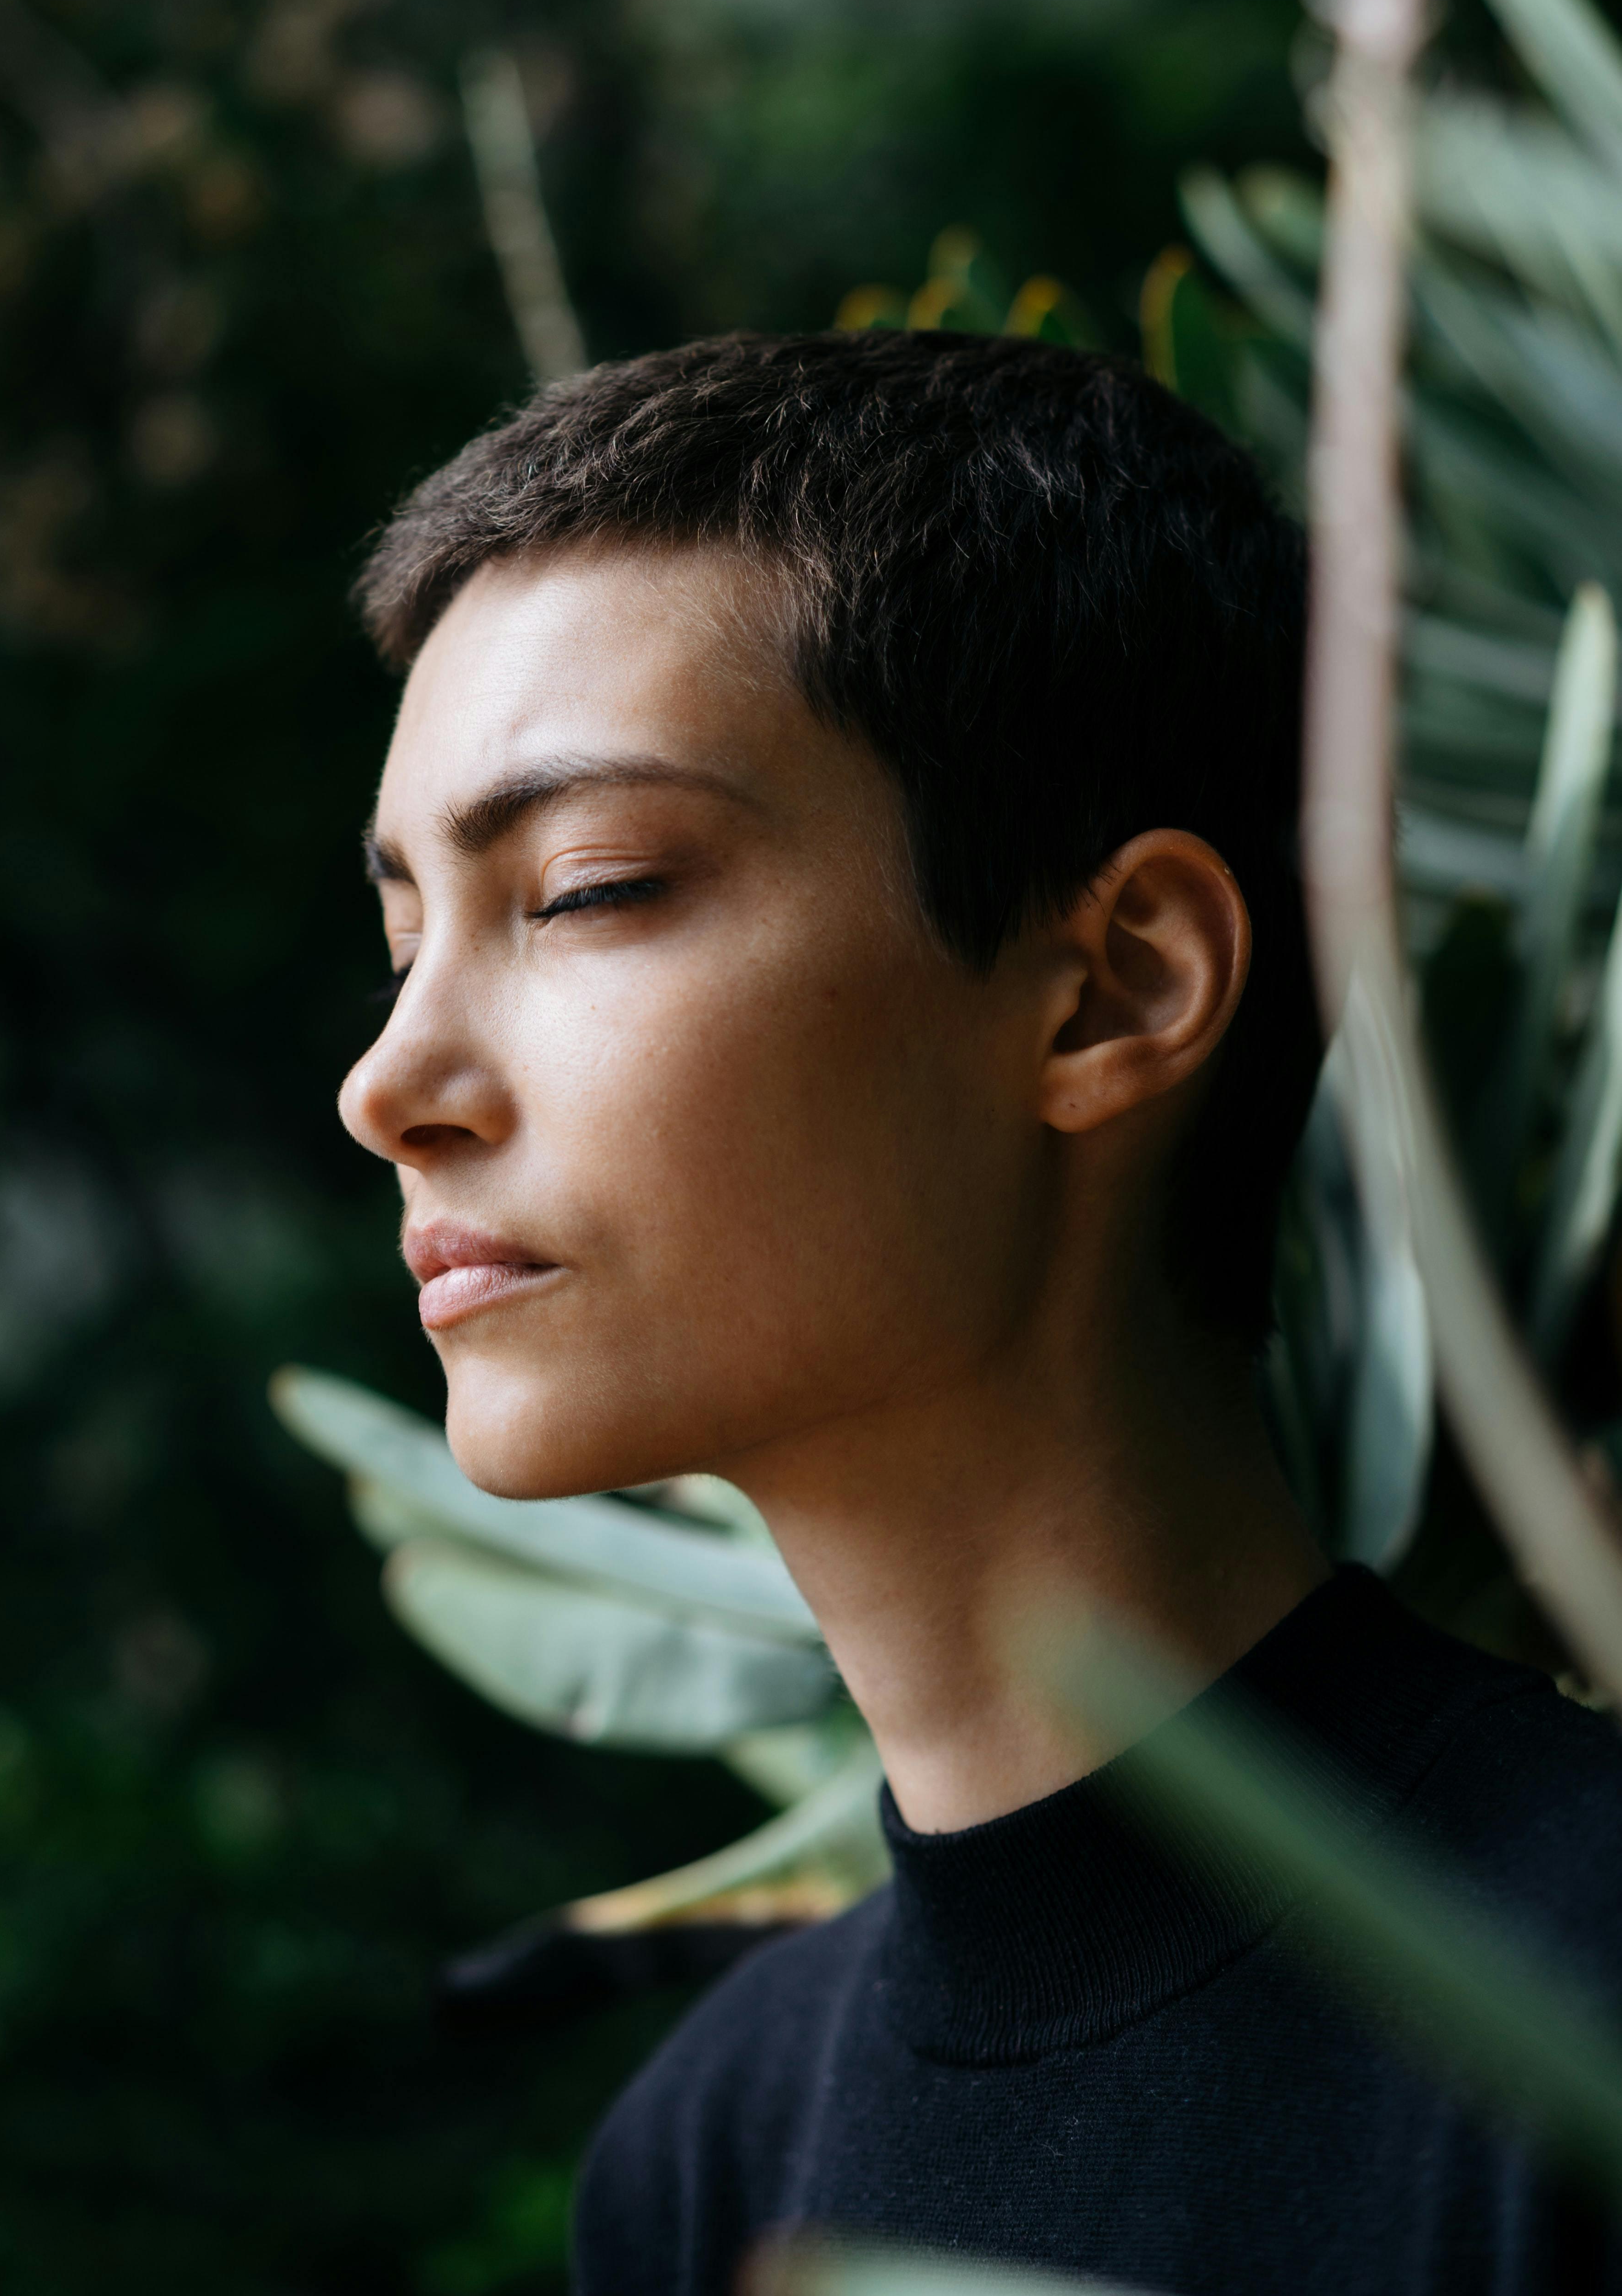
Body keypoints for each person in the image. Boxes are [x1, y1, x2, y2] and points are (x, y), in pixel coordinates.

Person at [337, 329, 1622, 2295]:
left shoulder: (1577, 1999)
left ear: (1110, 989)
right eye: (404, 930)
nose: (391, 1075)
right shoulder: (708, 2160)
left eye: (583, 888)